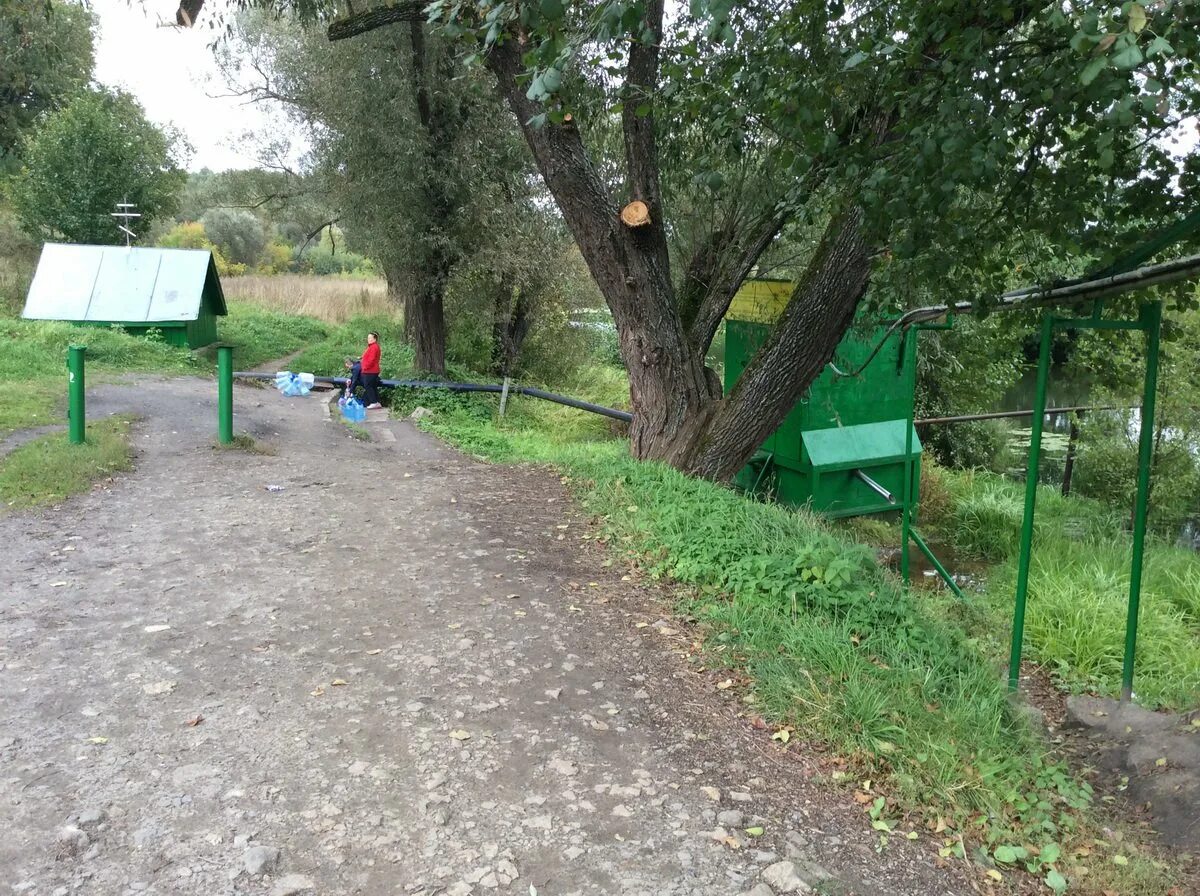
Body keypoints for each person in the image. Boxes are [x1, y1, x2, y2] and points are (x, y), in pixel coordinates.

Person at [359, 331, 382, 409]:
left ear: (374, 339)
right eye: (368, 338)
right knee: (373, 386)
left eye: (370, 338)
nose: (368, 339)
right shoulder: (371, 347)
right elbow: (367, 356)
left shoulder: (374, 347)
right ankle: (377, 402)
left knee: (368, 385)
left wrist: (365, 367)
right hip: (371, 370)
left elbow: (371, 359)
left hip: (370, 371)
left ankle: (373, 402)